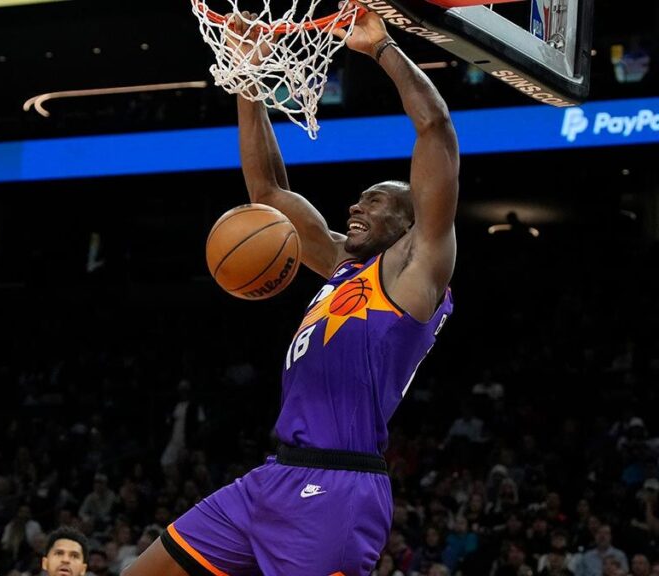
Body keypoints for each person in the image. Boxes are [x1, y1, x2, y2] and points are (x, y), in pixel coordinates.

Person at [123, 4, 458, 575]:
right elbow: (268, 192)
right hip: (272, 478)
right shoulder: (340, 268)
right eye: (359, 197)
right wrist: (249, 79)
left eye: (376, 201)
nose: (357, 205)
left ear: (408, 224)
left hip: (339, 486)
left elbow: (436, 130)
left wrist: (381, 49)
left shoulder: (417, 271)